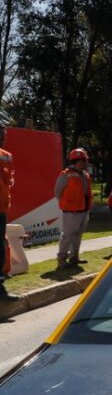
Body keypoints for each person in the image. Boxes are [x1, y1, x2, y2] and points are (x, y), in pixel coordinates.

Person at [54, 148, 93, 269]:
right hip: (71, 212)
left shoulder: (85, 175)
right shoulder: (66, 174)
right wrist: (68, 204)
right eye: (85, 160)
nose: (87, 163)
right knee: (68, 235)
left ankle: (74, 257)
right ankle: (62, 259)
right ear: (78, 161)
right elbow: (57, 192)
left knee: (78, 235)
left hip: (84, 210)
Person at [0, 119, 18, 300]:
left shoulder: (6, 155)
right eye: (1, 134)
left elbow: (9, 181)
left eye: (4, 134)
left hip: (1, 208)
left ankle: (1, 289)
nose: (3, 137)